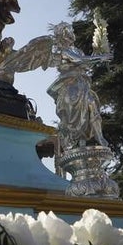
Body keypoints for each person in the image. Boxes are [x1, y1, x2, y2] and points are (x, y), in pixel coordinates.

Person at [46, 21, 111, 150]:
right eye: (69, 30)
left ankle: (98, 135)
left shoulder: (77, 50)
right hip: (70, 86)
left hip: (82, 84)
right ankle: (77, 138)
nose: (72, 32)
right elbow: (79, 60)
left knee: (92, 104)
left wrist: (97, 53)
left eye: (71, 30)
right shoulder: (63, 51)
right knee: (74, 114)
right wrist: (100, 58)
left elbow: (86, 64)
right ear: (64, 34)